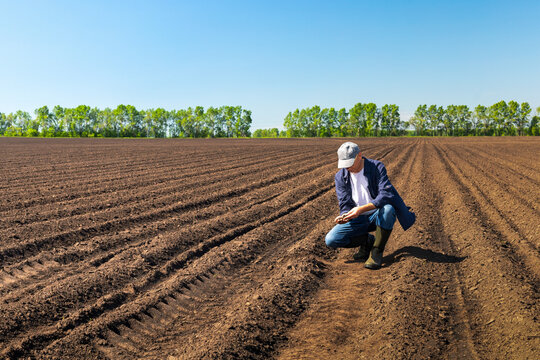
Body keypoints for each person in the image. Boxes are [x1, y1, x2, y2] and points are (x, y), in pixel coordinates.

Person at [325, 142, 416, 270]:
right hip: (357, 218)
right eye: (344, 164)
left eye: (350, 163)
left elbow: (385, 195)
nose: (347, 168)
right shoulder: (341, 176)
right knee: (331, 240)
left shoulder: (376, 167)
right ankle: (367, 241)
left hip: (376, 214)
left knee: (388, 209)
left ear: (359, 156)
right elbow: (344, 203)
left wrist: (361, 209)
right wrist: (345, 216)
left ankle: (376, 251)